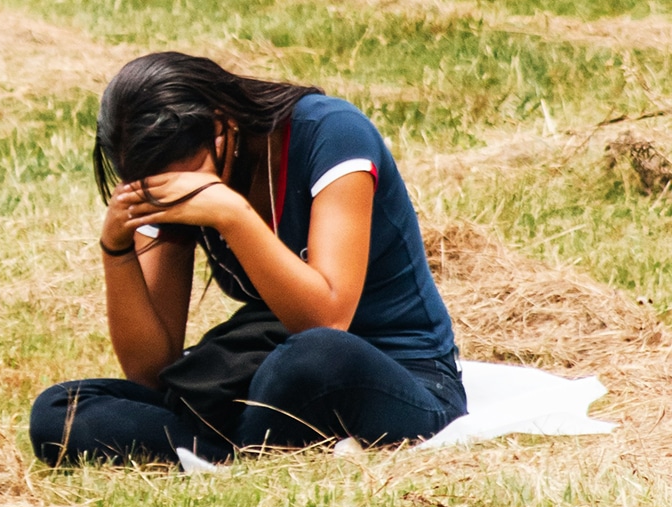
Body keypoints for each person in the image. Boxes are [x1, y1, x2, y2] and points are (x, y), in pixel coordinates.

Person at [29, 52, 466, 466]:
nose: (172, 191)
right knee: (57, 412)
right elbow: (150, 370)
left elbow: (328, 317)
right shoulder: (167, 170)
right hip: (264, 376)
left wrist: (232, 215)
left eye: (180, 176)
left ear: (223, 127)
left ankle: (212, 452)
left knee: (315, 356)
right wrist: (116, 248)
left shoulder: (332, 133)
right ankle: (226, 454)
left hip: (398, 372)